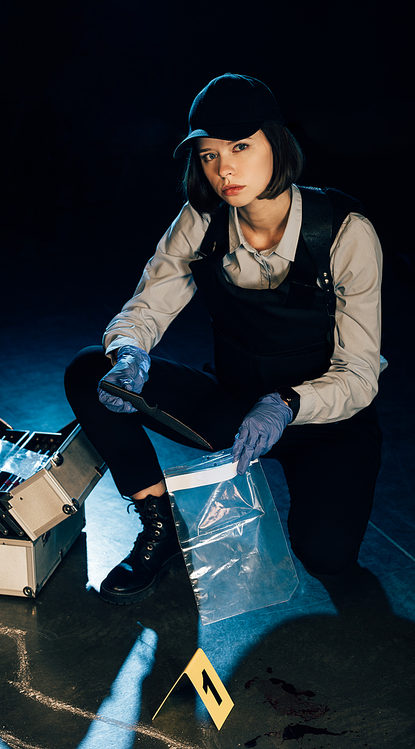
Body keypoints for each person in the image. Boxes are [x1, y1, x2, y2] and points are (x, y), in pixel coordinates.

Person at [64, 73, 383, 605]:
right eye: (208, 154)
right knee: (90, 369)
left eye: (240, 146)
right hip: (234, 410)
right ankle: (160, 525)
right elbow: (147, 305)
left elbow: (361, 372)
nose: (224, 169)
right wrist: (129, 356)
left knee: (327, 555)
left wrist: (285, 404)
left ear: (276, 143)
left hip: (327, 421)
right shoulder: (202, 219)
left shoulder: (345, 231)